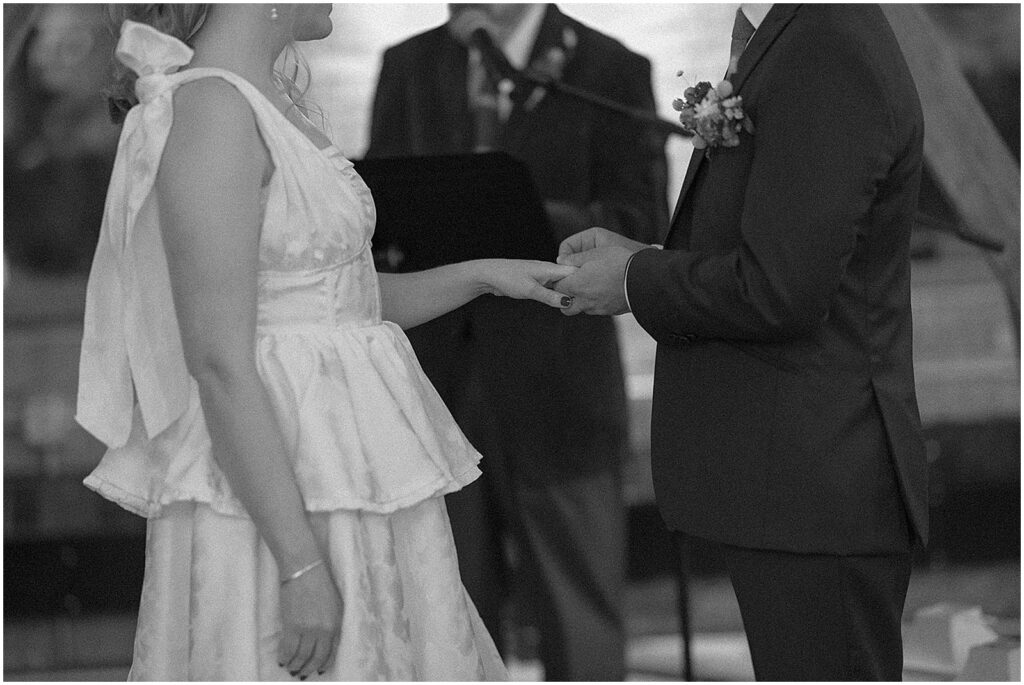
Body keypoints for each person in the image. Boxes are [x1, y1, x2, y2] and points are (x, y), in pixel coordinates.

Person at [76, 4, 576, 680]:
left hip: (346, 463)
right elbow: (219, 361)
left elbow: (338, 307)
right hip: (281, 481)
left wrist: (485, 275)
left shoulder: (269, 102)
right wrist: (300, 563)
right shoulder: (213, 111)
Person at [556, 4, 928, 681]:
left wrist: (636, 279)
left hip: (815, 483)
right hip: (784, 481)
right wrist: (643, 256)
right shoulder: (792, 34)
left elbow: (781, 287)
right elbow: (774, 244)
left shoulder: (827, 43)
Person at [366, 4, 668, 678]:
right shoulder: (409, 65)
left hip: (559, 378)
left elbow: (643, 221)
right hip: (438, 380)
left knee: (580, 616)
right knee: (447, 615)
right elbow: (374, 216)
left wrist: (514, 207)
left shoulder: (609, 69)